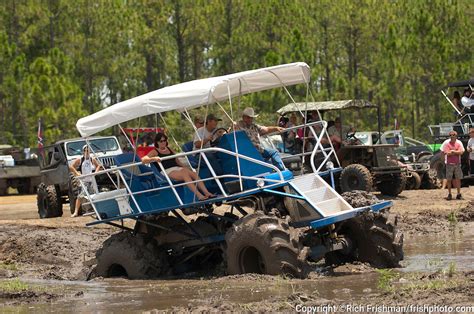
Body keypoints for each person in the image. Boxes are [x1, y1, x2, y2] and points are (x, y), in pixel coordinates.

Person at [142, 133, 215, 201]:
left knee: (193, 173)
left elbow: (178, 162)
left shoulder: (170, 149)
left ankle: (206, 193)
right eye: (161, 141)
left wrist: (186, 168)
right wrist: (154, 158)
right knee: (184, 174)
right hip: (167, 171)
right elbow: (144, 159)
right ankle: (199, 196)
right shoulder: (155, 151)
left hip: (177, 168)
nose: (163, 142)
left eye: (164, 140)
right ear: (157, 142)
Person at [69, 145, 102, 217]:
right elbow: (71, 167)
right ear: (83, 151)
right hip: (84, 181)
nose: (87, 152)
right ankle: (76, 212)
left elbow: (99, 165)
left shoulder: (92, 159)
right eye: (86, 150)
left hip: (92, 181)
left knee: (94, 196)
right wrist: (77, 173)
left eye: (88, 150)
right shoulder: (80, 159)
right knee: (80, 196)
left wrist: (95, 173)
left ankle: (97, 211)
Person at [440, 130, 464, 200]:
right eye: (450, 135)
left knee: (458, 179)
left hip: (457, 164)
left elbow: (461, 152)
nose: (452, 136)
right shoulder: (447, 144)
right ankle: (449, 194)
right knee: (449, 179)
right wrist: (455, 152)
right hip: (449, 164)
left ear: (456, 136)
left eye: (453, 135)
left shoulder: (459, 143)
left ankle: (458, 194)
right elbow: (447, 153)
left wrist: (453, 151)